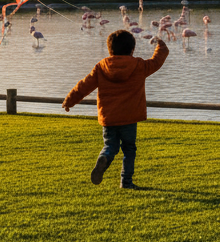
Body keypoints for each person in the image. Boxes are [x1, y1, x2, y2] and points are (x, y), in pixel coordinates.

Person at [62, 29, 168, 189]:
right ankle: (126, 182)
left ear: (109, 49)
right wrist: (161, 45)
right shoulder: (139, 65)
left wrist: (69, 101)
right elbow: (157, 61)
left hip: (109, 117)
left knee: (110, 145)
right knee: (129, 149)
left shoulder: (101, 66)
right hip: (129, 117)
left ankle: (104, 156)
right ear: (132, 49)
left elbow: (84, 85)